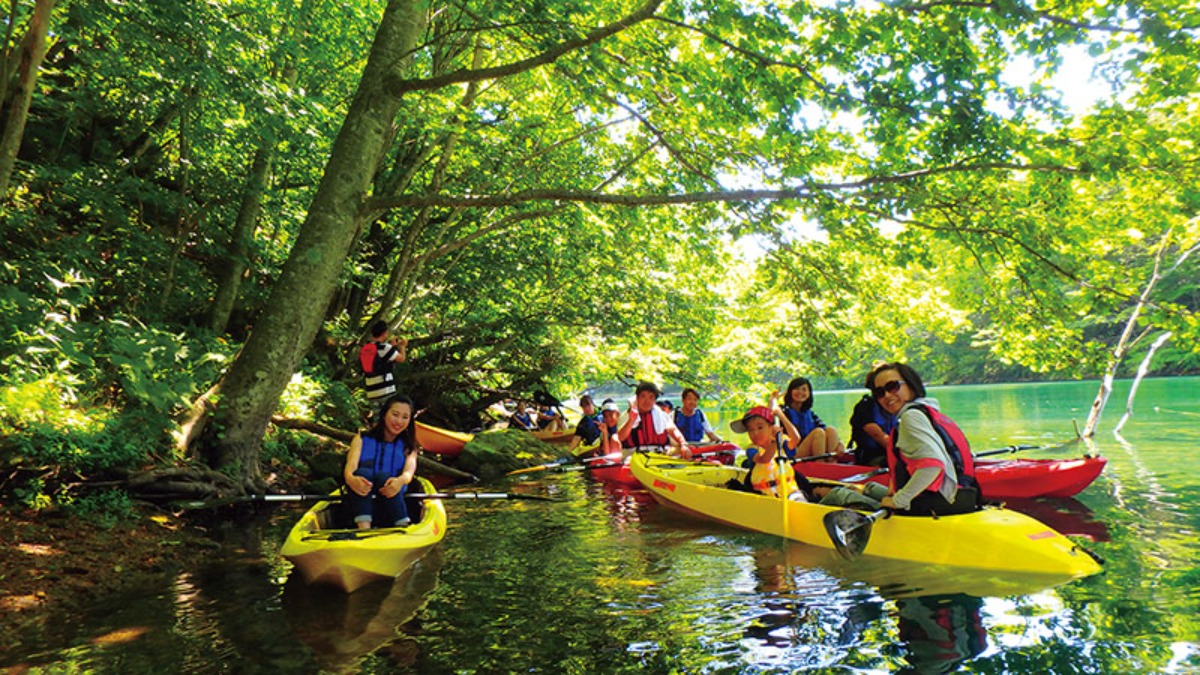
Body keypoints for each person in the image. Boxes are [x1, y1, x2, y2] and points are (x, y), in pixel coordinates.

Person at [872, 363, 980, 516]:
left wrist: (899, 500)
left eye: (893, 386)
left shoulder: (911, 417)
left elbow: (932, 466)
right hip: (963, 497)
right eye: (879, 392)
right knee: (870, 487)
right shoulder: (927, 411)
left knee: (838, 495)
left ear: (910, 385)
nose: (887, 395)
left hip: (934, 505)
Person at [732, 403, 887, 508]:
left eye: (760, 427)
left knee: (869, 487)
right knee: (841, 495)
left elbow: (796, 438)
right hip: (775, 500)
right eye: (750, 430)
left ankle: (894, 502)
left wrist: (781, 415)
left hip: (792, 493)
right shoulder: (752, 450)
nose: (755, 433)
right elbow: (764, 459)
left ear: (771, 428)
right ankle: (882, 509)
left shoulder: (782, 445)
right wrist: (774, 442)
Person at [342, 395, 419, 529]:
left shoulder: (409, 445)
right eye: (395, 414)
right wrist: (350, 479)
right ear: (384, 414)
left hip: (393, 498)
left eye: (405, 417)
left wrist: (399, 482)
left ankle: (402, 525)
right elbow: (351, 464)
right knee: (362, 472)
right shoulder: (361, 438)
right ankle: (364, 529)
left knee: (385, 477)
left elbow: (408, 473)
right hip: (361, 499)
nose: (399, 421)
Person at [618, 381, 691, 459]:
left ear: (654, 400)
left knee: (681, 450)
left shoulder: (661, 415)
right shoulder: (627, 415)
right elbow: (621, 437)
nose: (647, 401)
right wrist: (631, 420)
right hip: (633, 456)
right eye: (643, 396)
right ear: (637, 398)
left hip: (658, 454)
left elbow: (673, 430)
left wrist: (683, 444)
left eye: (651, 397)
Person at [779, 376, 845, 460]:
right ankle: (820, 463)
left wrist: (840, 444)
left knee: (831, 430)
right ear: (790, 391)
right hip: (793, 452)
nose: (800, 392)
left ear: (809, 393)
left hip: (810, 451)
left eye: (804, 389)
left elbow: (823, 427)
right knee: (818, 433)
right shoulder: (782, 411)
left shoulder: (809, 413)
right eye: (796, 388)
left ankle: (831, 462)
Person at [848, 365, 898, 467]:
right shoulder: (865, 408)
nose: (887, 394)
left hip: (892, 453)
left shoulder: (897, 405)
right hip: (871, 458)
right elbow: (879, 436)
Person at [359, 321, 407, 411]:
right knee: (387, 419)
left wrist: (391, 346)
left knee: (377, 419)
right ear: (384, 333)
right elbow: (401, 358)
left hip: (371, 391)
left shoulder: (366, 348)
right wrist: (402, 347)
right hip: (385, 391)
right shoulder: (385, 348)